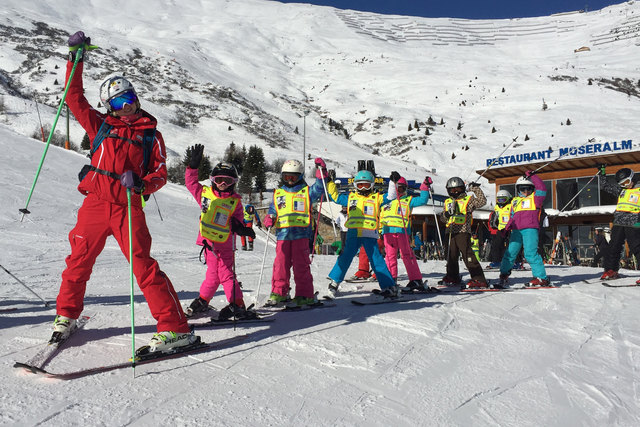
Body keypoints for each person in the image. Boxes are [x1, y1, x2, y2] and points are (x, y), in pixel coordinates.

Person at [53, 31, 196, 352]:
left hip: (127, 208)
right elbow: (73, 98)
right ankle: (66, 314)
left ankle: (176, 328)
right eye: (119, 102)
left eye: (130, 97)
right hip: (95, 203)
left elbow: (160, 173)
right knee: (78, 260)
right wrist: (76, 58)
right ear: (110, 106)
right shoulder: (100, 126)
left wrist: (144, 184)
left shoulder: (151, 136)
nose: (127, 105)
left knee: (144, 267)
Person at [184, 150, 257, 320]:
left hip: (225, 245)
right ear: (213, 180)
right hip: (209, 244)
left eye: (227, 180)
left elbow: (238, 221)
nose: (223, 183)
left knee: (226, 275)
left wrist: (240, 228)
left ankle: (237, 304)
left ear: (234, 183)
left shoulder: (235, 202)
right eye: (219, 180)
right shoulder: (205, 194)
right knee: (212, 275)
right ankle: (203, 300)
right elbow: (191, 183)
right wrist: (192, 167)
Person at [262, 158, 328, 307]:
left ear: (300, 176)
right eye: (286, 177)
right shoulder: (278, 193)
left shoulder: (306, 192)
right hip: (283, 236)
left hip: (301, 235)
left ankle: (304, 295)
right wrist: (270, 217)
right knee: (280, 265)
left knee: (301, 265)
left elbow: (320, 188)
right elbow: (274, 209)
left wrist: (322, 173)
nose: (290, 180)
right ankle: (279, 292)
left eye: (293, 177)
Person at [325, 169, 397, 298]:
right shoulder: (351, 197)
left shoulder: (376, 198)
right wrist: (330, 183)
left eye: (366, 185)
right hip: (353, 232)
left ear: (372, 185)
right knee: (345, 257)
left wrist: (392, 182)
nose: (363, 188)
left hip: (369, 233)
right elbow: (335, 197)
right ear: (355, 186)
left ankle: (388, 286)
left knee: (376, 259)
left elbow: (391, 196)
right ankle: (334, 282)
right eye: (360, 185)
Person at [380, 173, 431, 290]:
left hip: (402, 232)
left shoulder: (408, 200)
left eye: (402, 188)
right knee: (390, 256)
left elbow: (423, 200)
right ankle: (391, 280)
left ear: (405, 189)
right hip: (388, 232)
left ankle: (416, 279)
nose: (399, 190)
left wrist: (424, 186)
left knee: (407, 255)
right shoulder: (386, 200)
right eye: (397, 187)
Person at [498, 172, 549, 287]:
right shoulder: (515, 201)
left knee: (530, 253)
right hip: (516, 230)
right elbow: (512, 217)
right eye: (522, 189)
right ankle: (504, 273)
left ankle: (541, 277)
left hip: (530, 229)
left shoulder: (535, 198)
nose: (525, 192)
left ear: (532, 189)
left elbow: (542, 188)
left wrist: (532, 176)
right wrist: (506, 229)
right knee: (510, 253)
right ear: (518, 189)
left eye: (528, 189)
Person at [439, 177, 488, 288]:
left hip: (463, 231)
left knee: (467, 254)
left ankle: (478, 278)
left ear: (462, 189)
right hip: (450, 231)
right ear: (448, 191)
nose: (455, 192)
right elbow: (442, 218)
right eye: (452, 190)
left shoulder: (468, 199)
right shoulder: (447, 202)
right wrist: (446, 215)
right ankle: (452, 276)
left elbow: (482, 201)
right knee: (451, 255)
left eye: (458, 189)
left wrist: (475, 188)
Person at [598, 167, 640, 282]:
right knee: (613, 247)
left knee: (636, 247)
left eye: (626, 182)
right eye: (622, 184)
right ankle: (611, 270)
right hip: (619, 222)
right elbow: (605, 186)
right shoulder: (622, 190)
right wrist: (602, 173)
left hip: (634, 222)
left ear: (632, 177)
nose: (625, 185)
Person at [487, 189, 512, 269]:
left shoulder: (511, 207)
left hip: (511, 229)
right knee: (496, 245)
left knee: (512, 246)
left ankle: (516, 262)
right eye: (499, 200)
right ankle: (496, 261)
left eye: (503, 200)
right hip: (501, 229)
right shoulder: (497, 207)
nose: (501, 202)